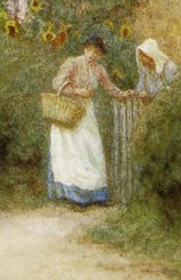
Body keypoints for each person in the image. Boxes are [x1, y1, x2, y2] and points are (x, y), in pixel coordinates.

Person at [47, 35, 128, 205]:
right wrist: (77, 91)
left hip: (86, 113)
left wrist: (123, 95)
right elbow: (57, 83)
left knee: (92, 150)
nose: (92, 54)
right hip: (67, 111)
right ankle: (74, 197)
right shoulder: (73, 63)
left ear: (100, 54)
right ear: (85, 49)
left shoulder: (99, 70)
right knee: (72, 153)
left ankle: (97, 196)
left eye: (96, 52)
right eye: (90, 49)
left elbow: (110, 88)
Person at [110, 38, 179, 203]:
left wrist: (156, 95)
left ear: (152, 55)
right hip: (149, 114)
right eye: (140, 57)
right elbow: (140, 88)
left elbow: (176, 89)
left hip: (168, 114)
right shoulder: (145, 70)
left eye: (144, 57)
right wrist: (140, 93)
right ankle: (147, 195)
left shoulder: (169, 67)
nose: (142, 61)